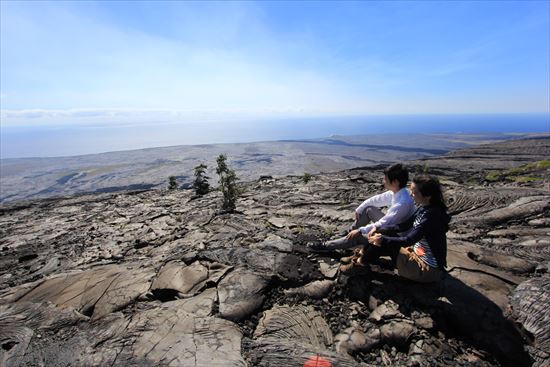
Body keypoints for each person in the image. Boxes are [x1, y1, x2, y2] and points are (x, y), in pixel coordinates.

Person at [345, 175, 450, 283]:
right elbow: (403, 225)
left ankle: (359, 264)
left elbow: (409, 240)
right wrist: (378, 228)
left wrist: (382, 240)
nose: (411, 195)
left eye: (414, 192)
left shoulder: (431, 217)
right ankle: (362, 255)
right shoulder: (425, 208)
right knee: (382, 232)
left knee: (382, 242)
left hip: (425, 268)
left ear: (428, 196)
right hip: (416, 253)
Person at [307, 163, 415, 252]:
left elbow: (384, 223)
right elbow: (376, 199)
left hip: (395, 237)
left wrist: (360, 231)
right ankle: (349, 233)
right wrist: (359, 208)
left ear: (395, 182)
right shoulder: (397, 192)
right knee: (368, 209)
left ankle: (326, 246)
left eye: (385, 179)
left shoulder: (402, 203)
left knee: (357, 236)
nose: (383, 181)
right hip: (390, 227)